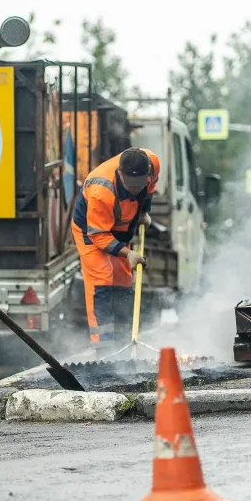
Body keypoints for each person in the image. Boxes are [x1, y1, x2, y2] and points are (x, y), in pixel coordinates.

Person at [71, 147, 161, 350]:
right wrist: (128, 253)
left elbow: (150, 188)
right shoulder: (101, 191)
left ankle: (122, 339)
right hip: (91, 230)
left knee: (123, 280)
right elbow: (99, 235)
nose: (136, 190)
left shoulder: (153, 164)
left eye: (140, 185)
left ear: (148, 171)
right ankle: (103, 346)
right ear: (120, 174)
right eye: (131, 186)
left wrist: (144, 211)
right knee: (102, 278)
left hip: (121, 227)